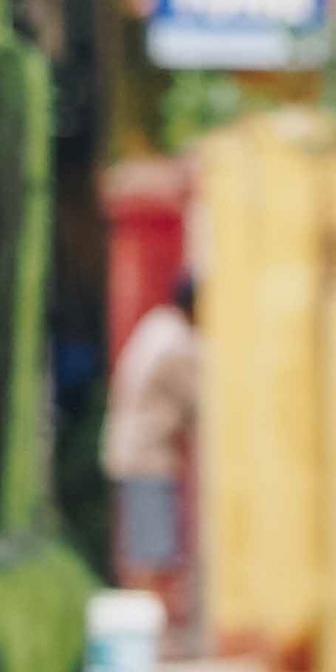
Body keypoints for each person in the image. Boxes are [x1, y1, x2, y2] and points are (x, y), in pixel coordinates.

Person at [101, 273, 202, 646]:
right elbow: (202, 399)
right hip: (148, 456)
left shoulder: (156, 327)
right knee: (151, 553)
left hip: (130, 451)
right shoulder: (177, 343)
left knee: (141, 547)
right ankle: (152, 639)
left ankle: (148, 635)